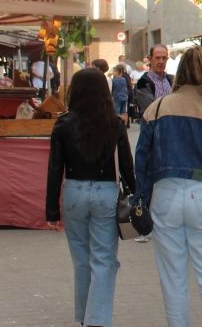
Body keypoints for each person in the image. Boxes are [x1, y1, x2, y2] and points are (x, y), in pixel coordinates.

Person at [134, 46, 202, 327]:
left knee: (173, 280)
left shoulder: (157, 108)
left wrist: (142, 199)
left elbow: (142, 161)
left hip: (165, 194)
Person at [46, 68, 135, 327]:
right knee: (105, 259)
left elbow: (54, 169)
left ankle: (85, 318)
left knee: (81, 260)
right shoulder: (115, 123)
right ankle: (97, 320)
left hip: (73, 190)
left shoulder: (62, 124)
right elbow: (127, 167)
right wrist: (136, 196)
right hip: (106, 193)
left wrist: (51, 210)